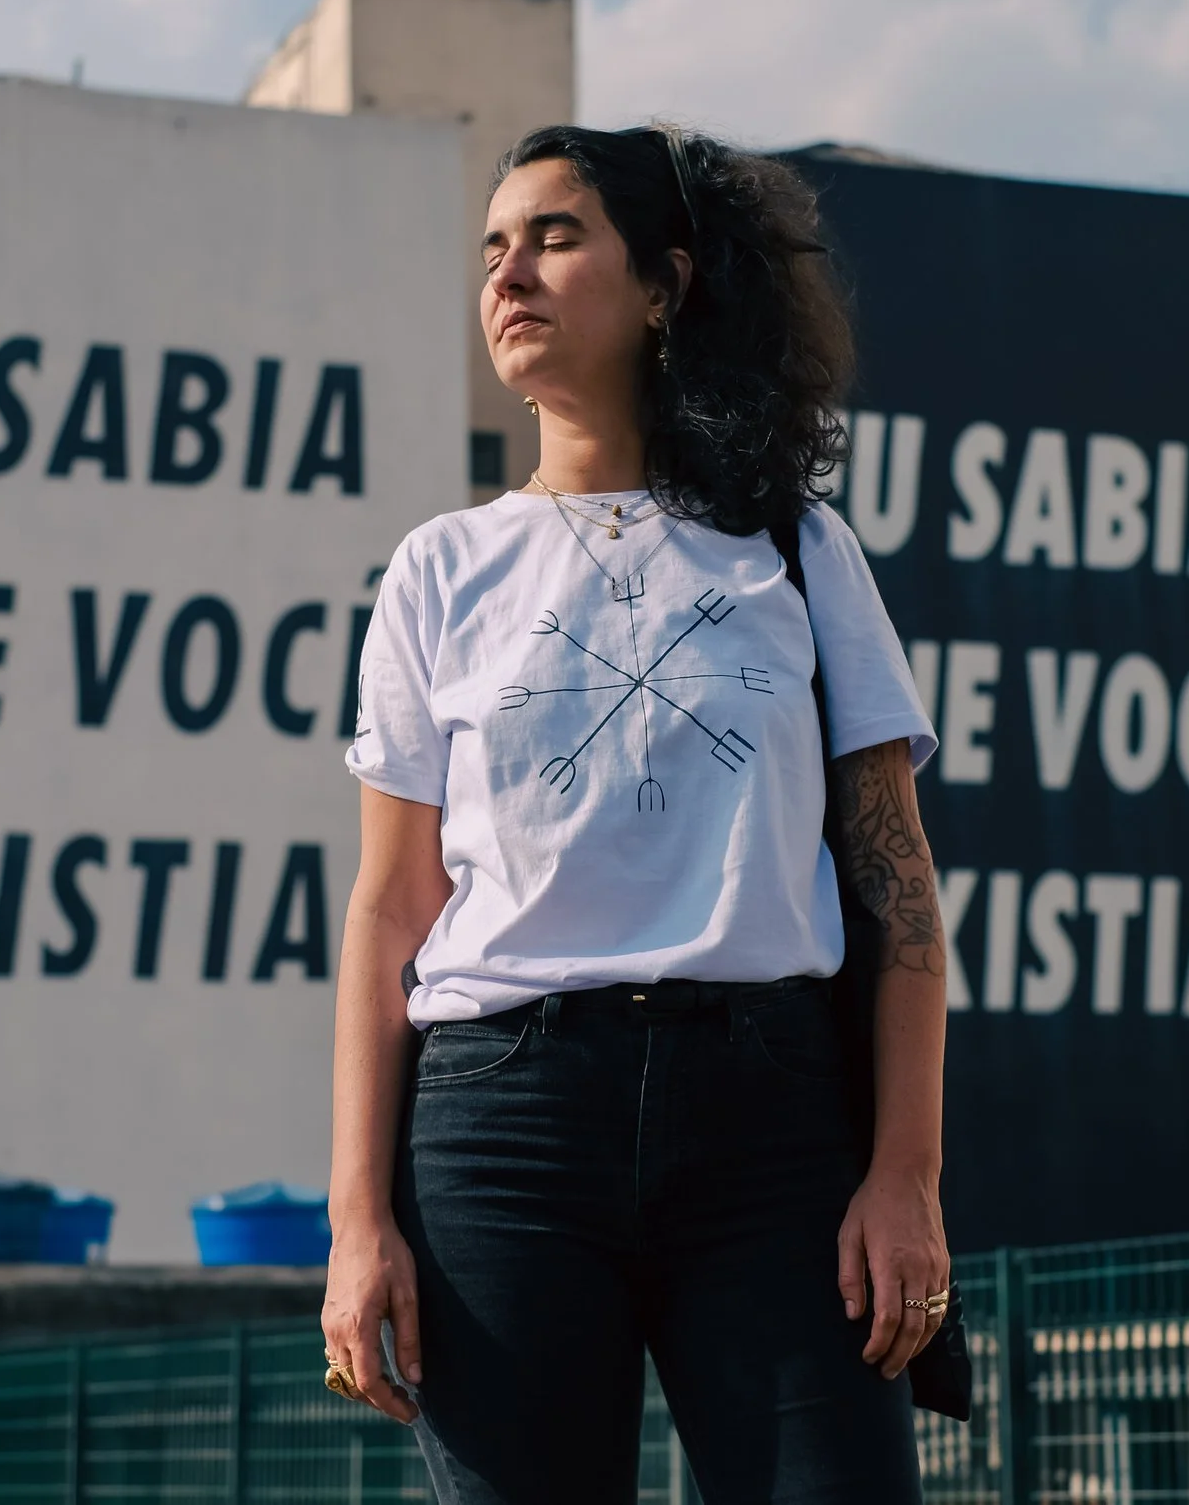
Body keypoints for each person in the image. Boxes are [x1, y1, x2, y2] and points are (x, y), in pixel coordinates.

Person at [321, 122, 952, 1505]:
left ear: (665, 285)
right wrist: (356, 1220)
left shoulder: (797, 548)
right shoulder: (439, 570)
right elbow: (390, 910)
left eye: (554, 238)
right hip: (501, 1127)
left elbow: (898, 882)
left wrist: (906, 1173)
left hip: (772, 1127)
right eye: (493, 248)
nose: (509, 275)